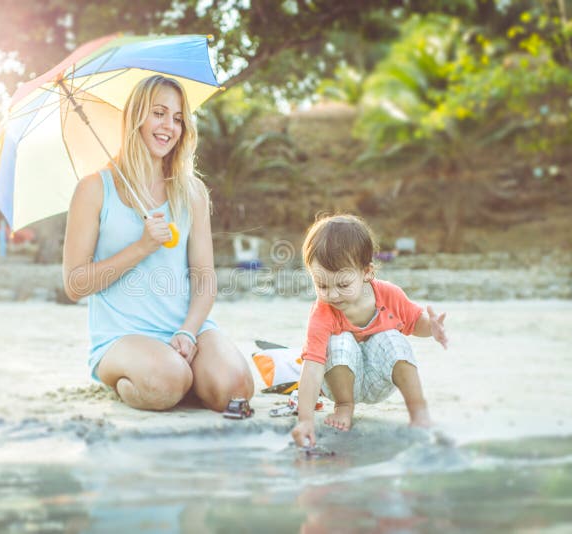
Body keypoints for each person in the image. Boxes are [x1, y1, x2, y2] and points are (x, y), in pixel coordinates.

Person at [62, 75, 254, 412]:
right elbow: (75, 285)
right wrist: (141, 247)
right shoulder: (93, 189)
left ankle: (185, 375)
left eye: (178, 118)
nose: (170, 126)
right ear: (136, 116)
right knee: (165, 381)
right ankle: (157, 379)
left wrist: (188, 333)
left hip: (184, 329)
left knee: (236, 388)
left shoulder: (191, 191)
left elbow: (205, 280)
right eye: (159, 113)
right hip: (122, 337)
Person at [291, 214, 448, 447]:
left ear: (367, 272)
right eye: (321, 285)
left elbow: (415, 322)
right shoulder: (323, 313)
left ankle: (419, 412)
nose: (331, 295)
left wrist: (431, 328)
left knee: (392, 338)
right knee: (339, 340)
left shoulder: (389, 295)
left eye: (342, 285)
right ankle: (344, 408)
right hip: (340, 384)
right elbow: (312, 368)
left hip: (378, 379)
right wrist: (305, 421)